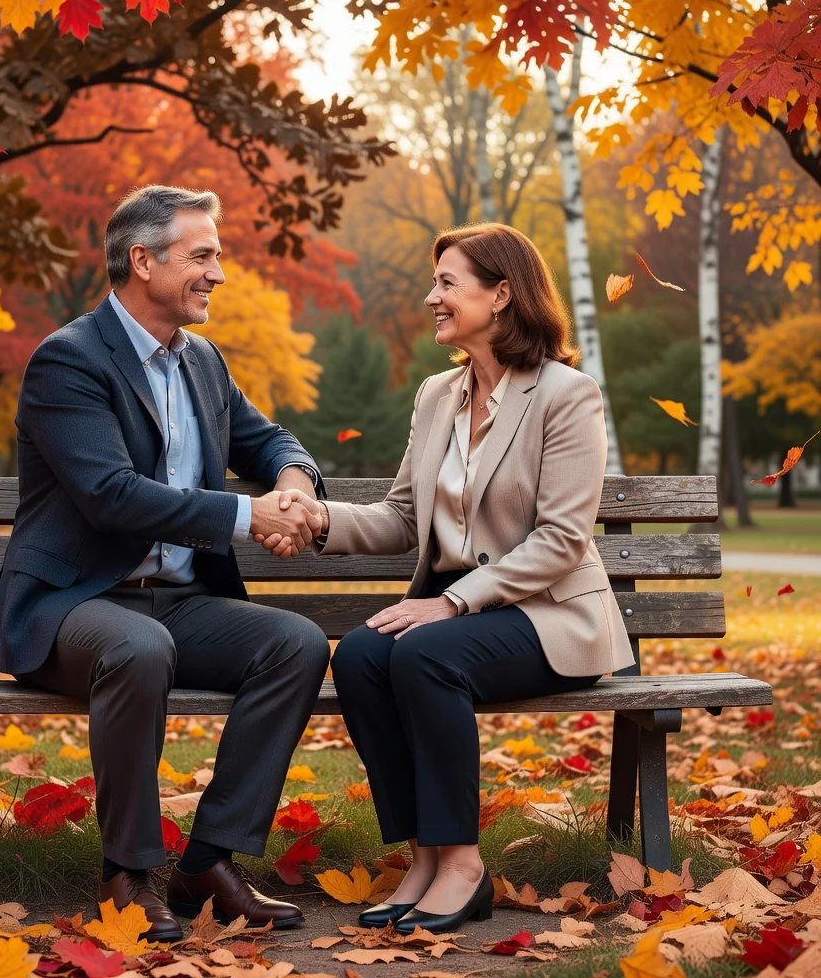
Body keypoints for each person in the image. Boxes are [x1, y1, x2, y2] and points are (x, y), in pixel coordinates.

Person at [0, 185, 331, 940]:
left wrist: (293, 484)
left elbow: (268, 442)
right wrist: (246, 514)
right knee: (139, 648)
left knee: (295, 643)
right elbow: (110, 495)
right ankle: (128, 873)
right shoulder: (67, 361)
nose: (219, 273)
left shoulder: (201, 360)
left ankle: (208, 861)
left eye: (218, 256)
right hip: (72, 603)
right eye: (203, 255)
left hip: (175, 601)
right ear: (143, 261)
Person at [261, 222, 635, 935]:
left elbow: (561, 540)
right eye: (435, 283)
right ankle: (425, 855)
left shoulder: (566, 394)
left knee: (426, 651)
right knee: (366, 655)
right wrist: (316, 520)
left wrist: (453, 603)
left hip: (549, 614)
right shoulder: (438, 395)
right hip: (462, 616)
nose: (432, 297)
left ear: (500, 295)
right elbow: (404, 516)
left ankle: (463, 865)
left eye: (446, 283)